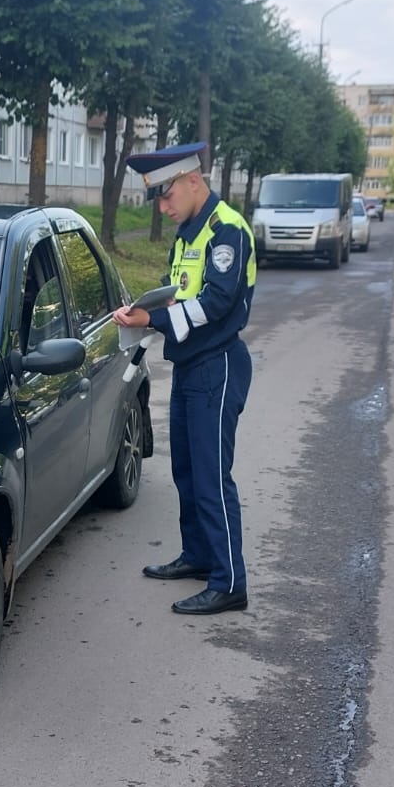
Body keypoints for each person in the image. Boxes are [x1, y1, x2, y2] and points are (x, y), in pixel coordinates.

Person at [111, 142, 256, 615]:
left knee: (213, 477)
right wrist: (151, 307)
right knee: (187, 472)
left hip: (218, 364)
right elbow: (182, 294)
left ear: (194, 179)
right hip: (192, 365)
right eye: (157, 197)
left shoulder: (225, 230)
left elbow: (216, 304)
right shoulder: (188, 232)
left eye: (167, 194)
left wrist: (150, 322)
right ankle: (198, 555)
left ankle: (229, 580)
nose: (163, 205)